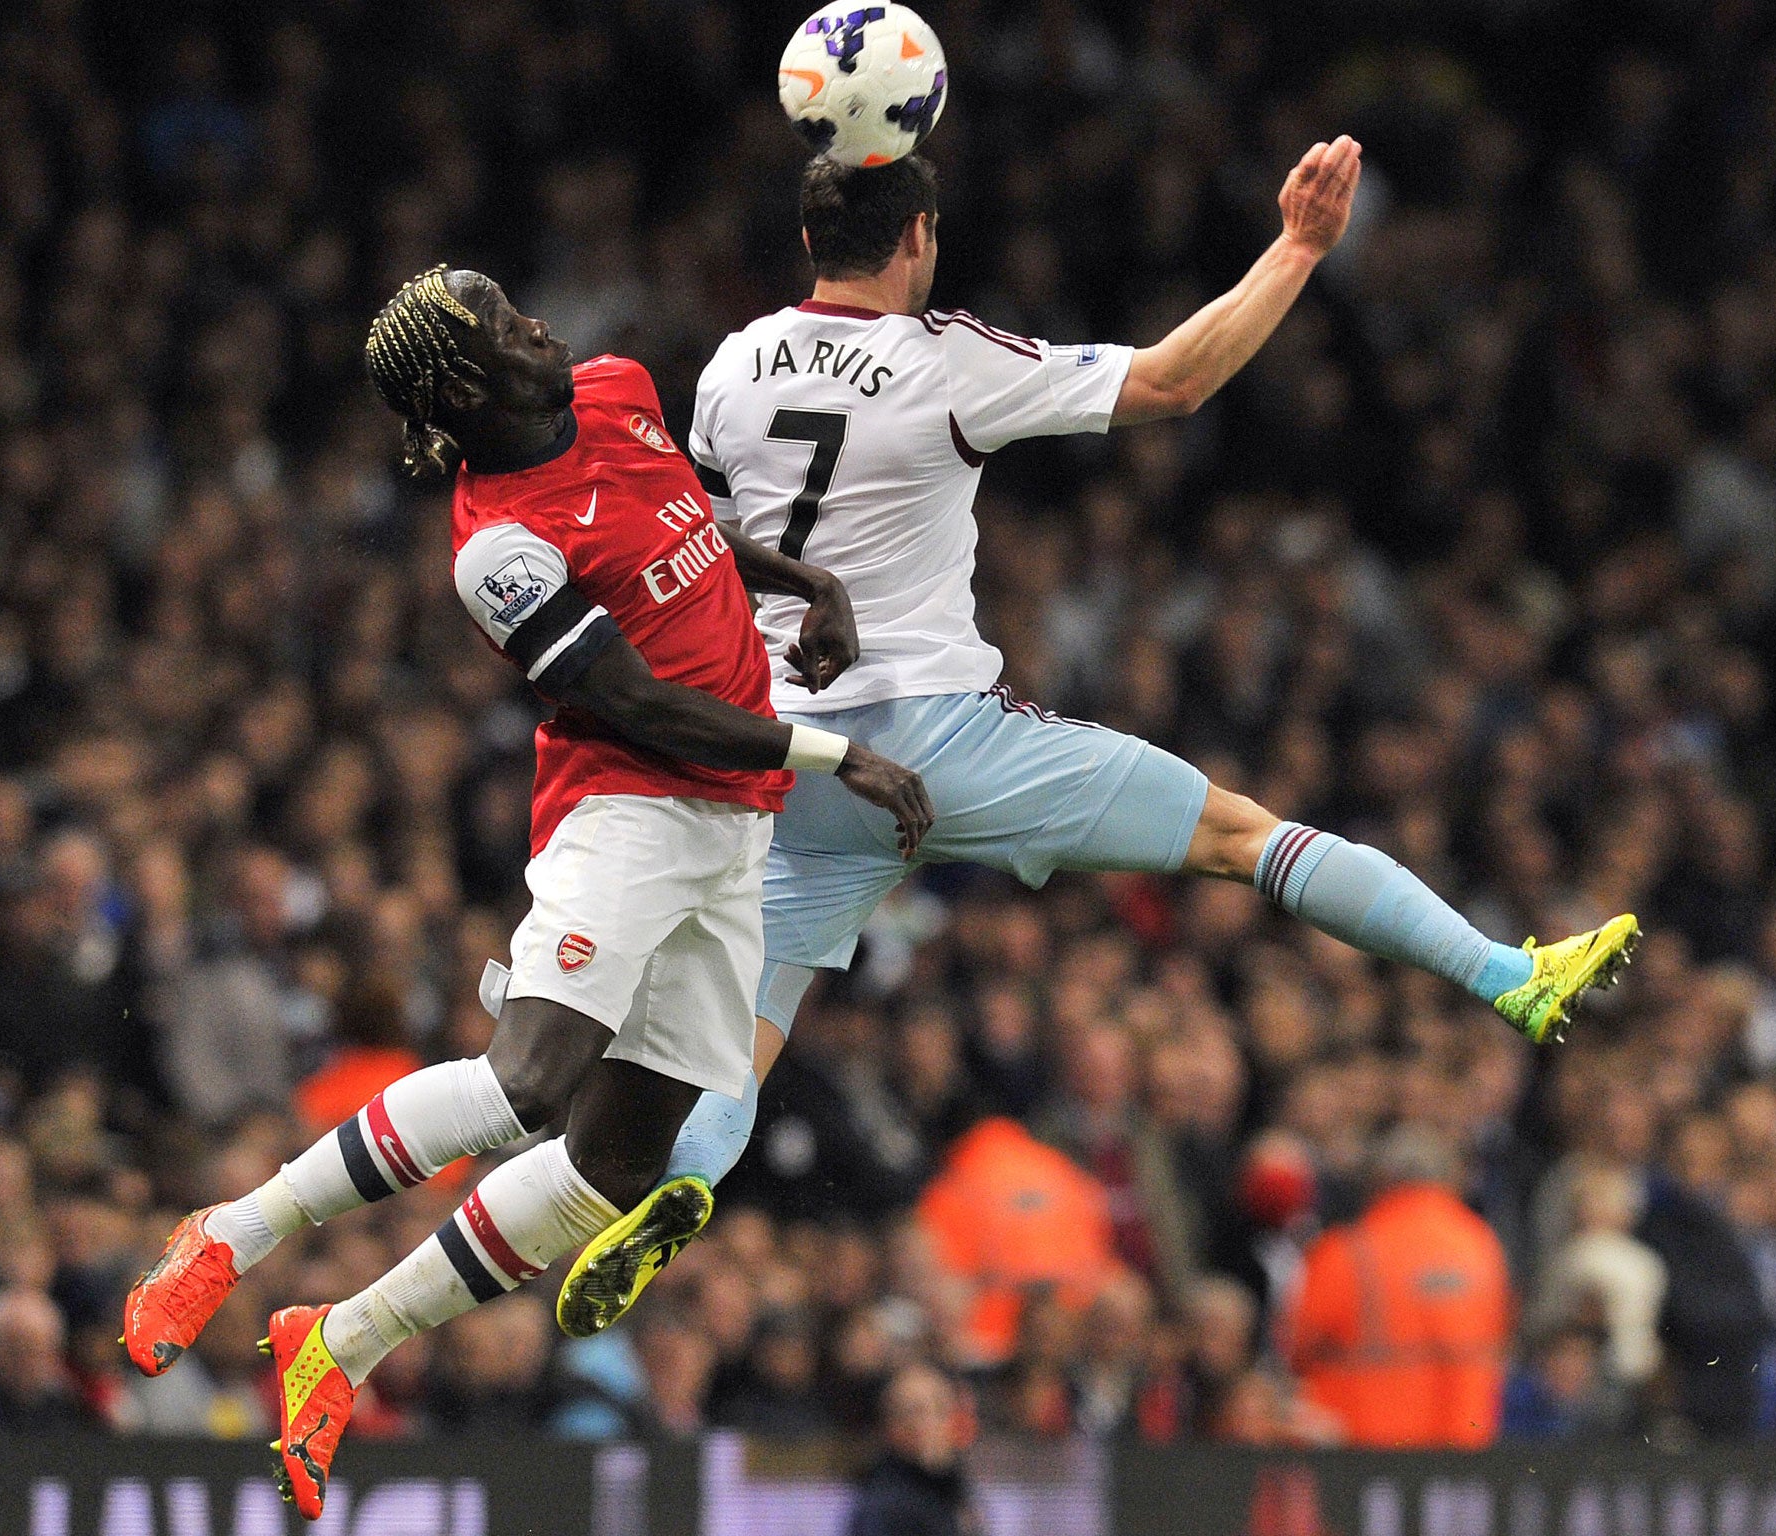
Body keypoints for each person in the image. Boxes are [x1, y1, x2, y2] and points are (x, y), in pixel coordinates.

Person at [564, 139, 1639, 1325]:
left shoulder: (729, 366)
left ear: (809, 242)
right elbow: (1174, 380)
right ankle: (1506, 975)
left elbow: (699, 550)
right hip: (929, 740)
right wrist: (1296, 250)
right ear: (916, 237)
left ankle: (671, 1192)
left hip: (783, 757)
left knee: (745, 1042)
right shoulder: (944, 360)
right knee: (1239, 836)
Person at [120, 265, 933, 1518]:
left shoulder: (618, 387)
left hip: (730, 826)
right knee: (528, 1082)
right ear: (462, 386)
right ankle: (230, 1231)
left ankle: (338, 1341)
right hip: (625, 809)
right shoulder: (496, 548)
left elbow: (690, 525)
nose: (536, 323)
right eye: (500, 323)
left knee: (614, 1164)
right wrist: (834, 755)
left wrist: (804, 583)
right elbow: (630, 700)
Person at [1288, 1125, 1512, 1448]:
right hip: (1464, 1453)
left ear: (1378, 1180)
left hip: (1367, 1454)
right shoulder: (1483, 1245)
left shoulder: (1346, 1251)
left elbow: (1297, 1347)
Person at [846, 1363, 981, 1536]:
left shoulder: (954, 1487)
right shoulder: (885, 1504)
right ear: (890, 1425)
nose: (927, 1423)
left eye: (939, 1408)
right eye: (914, 1411)